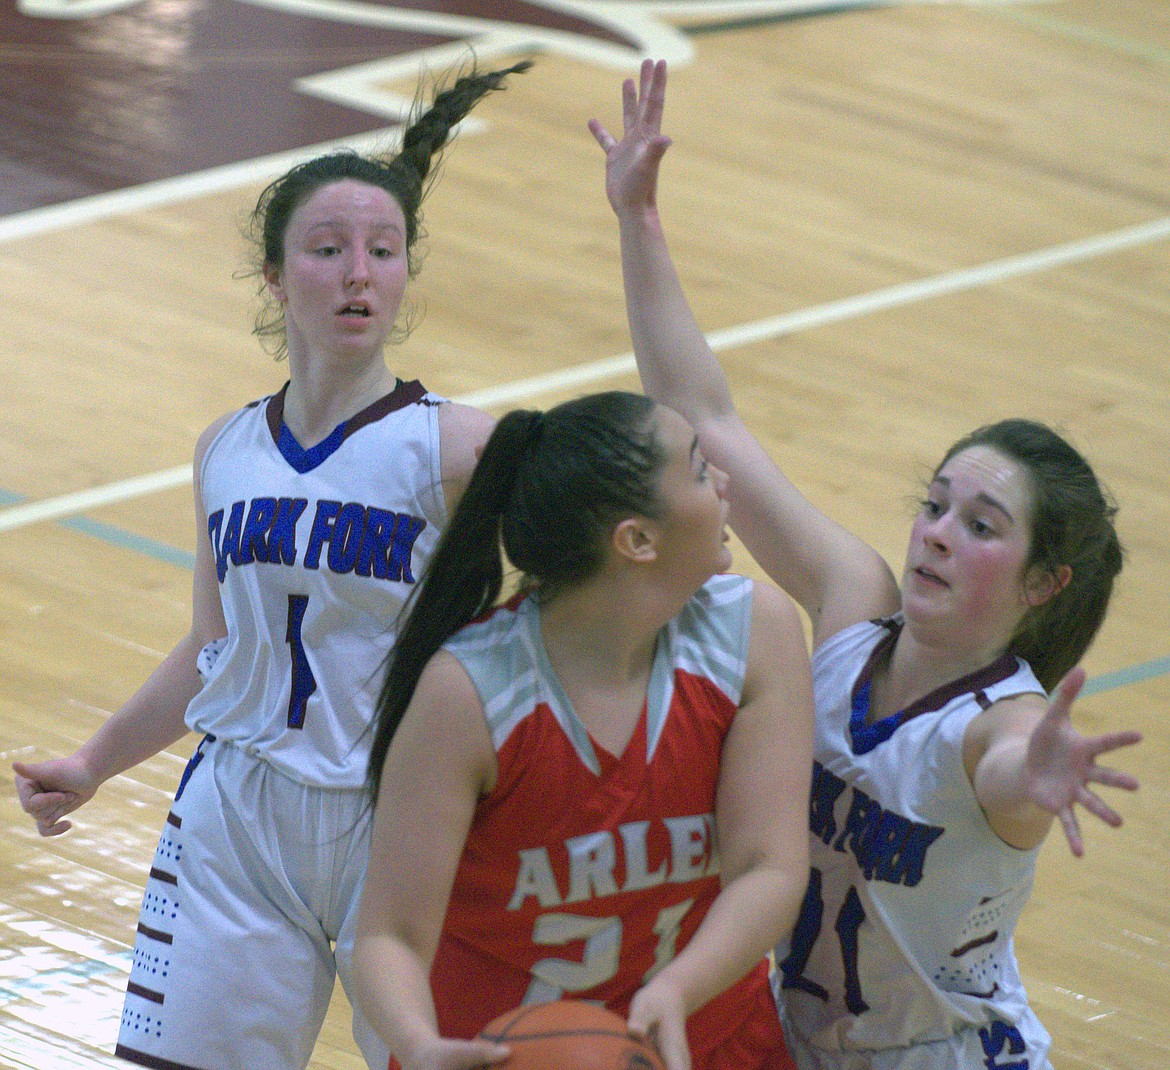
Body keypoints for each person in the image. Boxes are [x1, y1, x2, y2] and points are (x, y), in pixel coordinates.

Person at [590, 58, 1142, 1070]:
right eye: (934, 504)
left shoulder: (998, 724)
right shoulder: (854, 605)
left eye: (980, 525)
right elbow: (708, 418)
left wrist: (1042, 775)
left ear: (1042, 582)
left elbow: (1010, 770)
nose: (935, 532)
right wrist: (639, 220)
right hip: (796, 1044)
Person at [12, 59, 530, 1070]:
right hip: (238, 820)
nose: (358, 272)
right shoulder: (226, 449)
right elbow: (216, 648)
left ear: (406, 271)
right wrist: (92, 761)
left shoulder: (462, 448)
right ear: (275, 277)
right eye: (328, 249)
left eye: (384, 250)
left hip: (407, 819)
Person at [351, 390, 815, 1070]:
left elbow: (768, 869)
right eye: (697, 471)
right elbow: (389, 935)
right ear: (638, 539)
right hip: (500, 1053)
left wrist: (677, 990)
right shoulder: (472, 692)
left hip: (706, 1040)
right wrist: (419, 1047)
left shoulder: (754, 631)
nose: (723, 483)